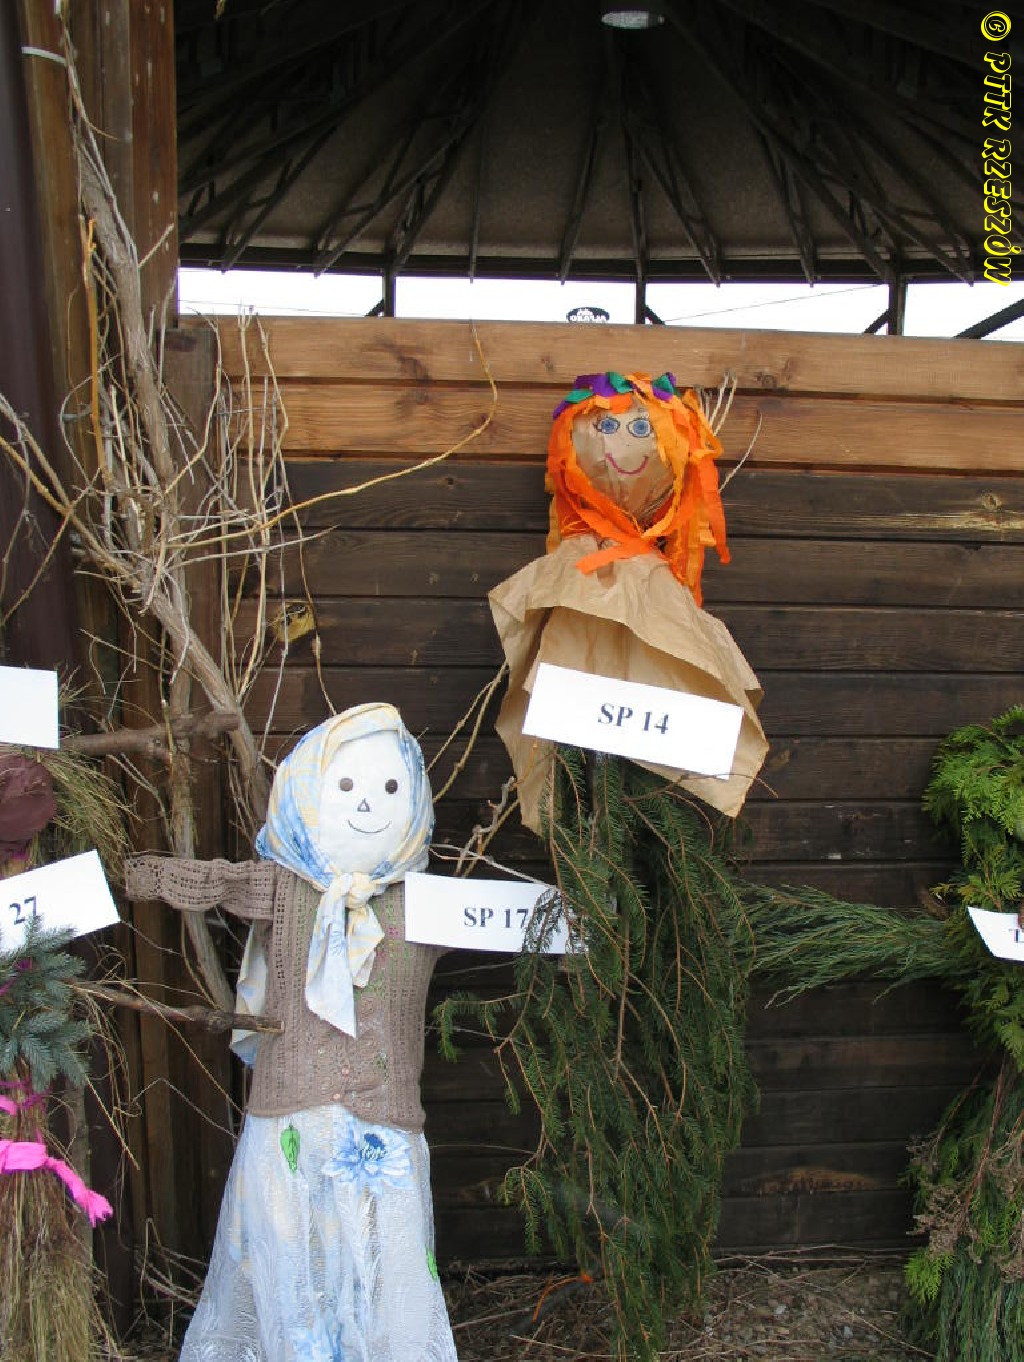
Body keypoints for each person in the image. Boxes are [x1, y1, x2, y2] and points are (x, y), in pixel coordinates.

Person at [125, 702, 458, 1362]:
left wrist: (571, 920)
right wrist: (142, 874)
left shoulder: (427, 903)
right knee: (287, 1256)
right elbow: (217, 884)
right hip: (288, 1116)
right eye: (346, 785)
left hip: (386, 1125)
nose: (367, 803)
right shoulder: (284, 889)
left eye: (389, 787)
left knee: (386, 1263)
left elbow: (502, 919)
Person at [490, 370, 768, 830]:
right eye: (607, 426)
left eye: (641, 428)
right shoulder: (578, 561)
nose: (621, 443)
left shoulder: (653, 575)